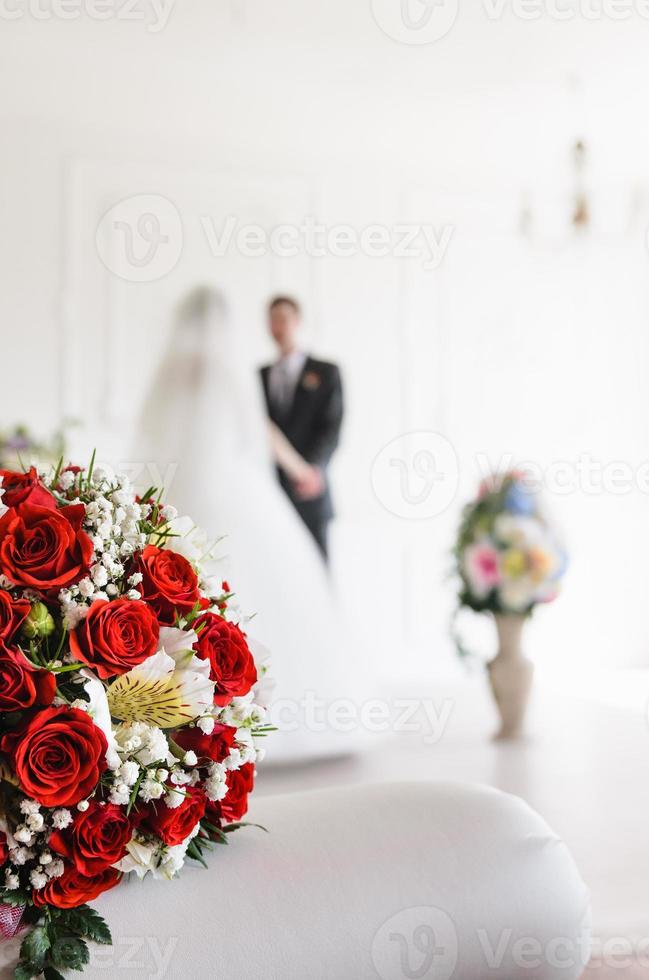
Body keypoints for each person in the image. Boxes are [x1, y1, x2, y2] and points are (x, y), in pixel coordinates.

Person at [134, 286, 359, 762]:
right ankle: (254, 711)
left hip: (176, 488)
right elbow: (257, 430)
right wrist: (298, 471)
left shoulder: (172, 369)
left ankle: (170, 712)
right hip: (234, 485)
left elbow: (150, 430)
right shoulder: (229, 370)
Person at [260, 296, 343, 561]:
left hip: (310, 489)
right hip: (270, 492)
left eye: (283, 319)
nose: (278, 326)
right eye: (273, 320)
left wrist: (313, 469)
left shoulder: (326, 372)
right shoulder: (258, 376)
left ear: (297, 322)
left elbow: (331, 427)